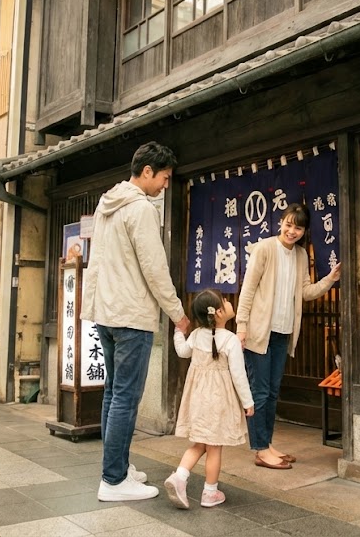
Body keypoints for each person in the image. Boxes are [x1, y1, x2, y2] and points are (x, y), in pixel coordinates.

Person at [82, 141, 191, 502]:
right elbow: (155, 267)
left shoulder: (108, 204)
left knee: (114, 394)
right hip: (130, 316)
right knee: (125, 398)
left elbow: (96, 262)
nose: (164, 185)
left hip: (106, 313)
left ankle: (118, 467)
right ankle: (113, 480)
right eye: (163, 177)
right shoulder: (141, 209)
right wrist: (177, 313)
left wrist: (91, 308)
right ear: (147, 172)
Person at [236, 202, 341, 469]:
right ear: (280, 222)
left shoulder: (301, 256)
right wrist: (241, 326)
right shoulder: (264, 248)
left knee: (272, 392)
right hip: (260, 332)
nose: (292, 231)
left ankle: (267, 444)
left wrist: (329, 279)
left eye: (298, 227)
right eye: (289, 224)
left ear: (304, 231)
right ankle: (260, 450)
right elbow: (247, 290)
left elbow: (304, 292)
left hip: (283, 333)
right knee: (259, 393)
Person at [164, 289, 254, 510]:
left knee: (200, 443)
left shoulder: (195, 335)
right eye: (224, 301)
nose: (228, 302)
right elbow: (239, 375)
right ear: (219, 313)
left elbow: (182, 351)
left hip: (197, 399)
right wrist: (248, 402)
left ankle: (180, 476)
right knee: (214, 447)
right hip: (219, 401)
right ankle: (210, 492)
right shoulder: (230, 340)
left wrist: (178, 332)